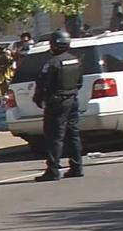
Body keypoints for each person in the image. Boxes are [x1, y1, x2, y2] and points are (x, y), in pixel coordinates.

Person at [32, 29, 84, 181]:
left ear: (54, 44)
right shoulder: (76, 60)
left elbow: (42, 84)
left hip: (57, 102)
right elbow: (79, 82)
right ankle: (77, 167)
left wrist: (39, 98)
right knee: (73, 134)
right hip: (73, 99)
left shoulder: (52, 63)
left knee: (54, 136)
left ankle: (53, 170)